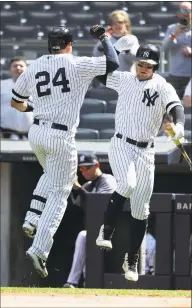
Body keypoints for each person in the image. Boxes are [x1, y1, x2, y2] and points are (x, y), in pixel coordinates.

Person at [11, 25, 119, 278]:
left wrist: (37, 109)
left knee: (50, 174)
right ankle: (40, 249)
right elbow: (112, 63)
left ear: (50, 45)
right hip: (60, 135)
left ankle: (32, 217)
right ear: (69, 44)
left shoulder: (35, 64)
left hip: (36, 131)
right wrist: (104, 37)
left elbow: (15, 103)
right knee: (60, 192)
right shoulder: (76, 63)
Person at [95, 41, 185, 282]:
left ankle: (131, 259)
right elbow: (104, 72)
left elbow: (176, 107)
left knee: (141, 208)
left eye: (148, 65)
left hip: (146, 151)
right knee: (127, 184)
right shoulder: (124, 79)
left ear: (155, 67)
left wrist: (179, 125)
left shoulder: (162, 85)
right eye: (140, 63)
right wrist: (107, 42)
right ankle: (106, 230)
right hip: (122, 143)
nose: (143, 68)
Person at [63, 152, 116, 288]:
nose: (83, 172)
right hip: (95, 231)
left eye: (86, 168)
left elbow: (99, 205)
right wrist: (68, 188)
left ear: (96, 165)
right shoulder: (88, 185)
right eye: (80, 169)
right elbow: (75, 206)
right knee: (83, 237)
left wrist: (79, 188)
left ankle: (73, 282)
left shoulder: (108, 180)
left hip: (112, 231)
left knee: (83, 236)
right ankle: (73, 283)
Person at [161, 1, 192, 99]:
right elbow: (164, 48)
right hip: (175, 76)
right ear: (178, 13)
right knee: (172, 106)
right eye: (183, 10)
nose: (186, 13)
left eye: (189, 10)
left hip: (191, 76)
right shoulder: (172, 29)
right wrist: (174, 34)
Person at [0, 57, 33, 140]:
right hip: (6, 135)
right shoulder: (1, 85)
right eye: (15, 66)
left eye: (21, 66)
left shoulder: (37, 86)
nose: (18, 68)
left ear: (27, 69)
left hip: (32, 136)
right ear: (10, 70)